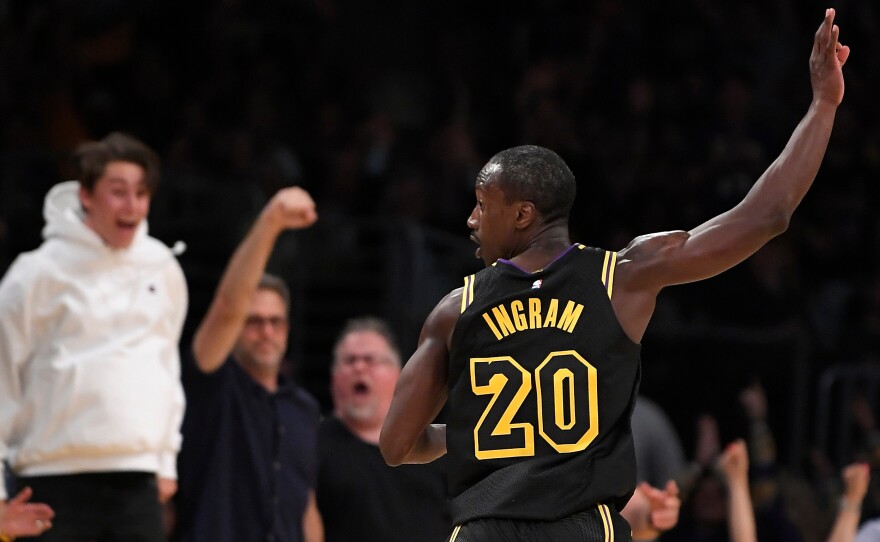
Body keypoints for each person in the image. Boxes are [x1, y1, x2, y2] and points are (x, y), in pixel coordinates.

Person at [379, 9, 849, 541]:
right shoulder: (622, 277)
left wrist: (474, 432)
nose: (470, 219)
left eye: (482, 204)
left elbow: (396, 445)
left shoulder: (453, 310)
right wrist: (823, 106)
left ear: (523, 214)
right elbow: (766, 216)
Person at [0, 132, 188, 541]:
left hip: (137, 482)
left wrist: (165, 461)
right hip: (52, 479)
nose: (132, 205)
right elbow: (2, 379)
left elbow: (165, 368)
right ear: (86, 195)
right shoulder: (36, 273)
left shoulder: (161, 267)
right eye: (118, 192)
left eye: (141, 193)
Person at [173, 186, 322, 542]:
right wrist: (270, 222)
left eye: (276, 322)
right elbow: (227, 309)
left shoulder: (304, 407)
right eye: (253, 321)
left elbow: (306, 505)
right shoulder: (210, 382)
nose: (266, 332)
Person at [316, 316, 451, 542]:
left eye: (370, 360)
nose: (359, 367)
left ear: (400, 374)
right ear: (333, 376)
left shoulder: (433, 446)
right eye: (349, 361)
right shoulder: (311, 445)